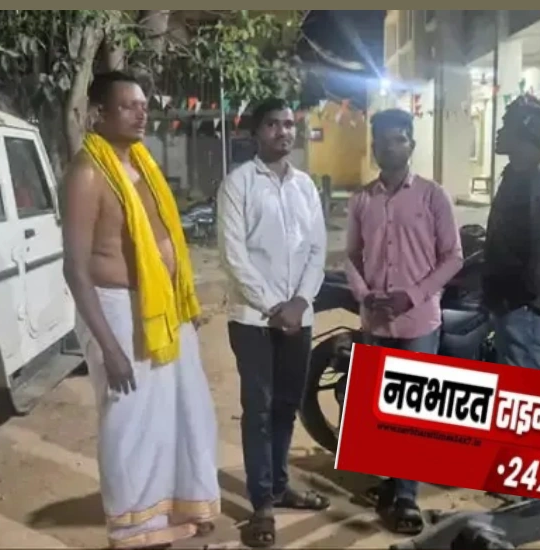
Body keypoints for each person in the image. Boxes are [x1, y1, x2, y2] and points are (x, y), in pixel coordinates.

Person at [61, 71, 220, 549]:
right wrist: (108, 347)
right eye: (128, 105)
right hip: (116, 310)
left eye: (143, 104)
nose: (141, 112)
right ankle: (134, 527)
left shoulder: (143, 164)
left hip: (161, 306)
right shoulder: (88, 173)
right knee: (129, 422)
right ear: (99, 113)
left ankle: (177, 506)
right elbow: (75, 268)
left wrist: (183, 303)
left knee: (183, 411)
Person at [345, 108, 463, 535]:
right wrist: (366, 295)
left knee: (412, 410)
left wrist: (410, 295)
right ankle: (391, 483)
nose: (388, 147)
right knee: (381, 409)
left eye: (397, 139)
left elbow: (453, 257)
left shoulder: (433, 196)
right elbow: (351, 256)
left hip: (418, 321)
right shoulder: (361, 200)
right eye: (381, 141)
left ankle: (407, 496)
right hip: (377, 321)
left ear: (411, 143)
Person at [217, 97, 329, 548]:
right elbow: (233, 255)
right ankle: (262, 501)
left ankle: (280, 485)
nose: (284, 131)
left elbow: (317, 249)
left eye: (288, 123)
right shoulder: (238, 184)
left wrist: (300, 302)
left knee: (286, 405)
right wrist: (273, 307)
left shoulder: (305, 186)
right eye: (273, 124)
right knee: (259, 410)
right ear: (255, 133)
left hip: (299, 317)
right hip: (252, 320)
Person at [483, 95, 540, 372]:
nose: (499, 132)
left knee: (521, 385)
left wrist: (523, 305)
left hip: (523, 308)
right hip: (511, 304)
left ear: (527, 132)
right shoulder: (515, 175)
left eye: (507, 125)